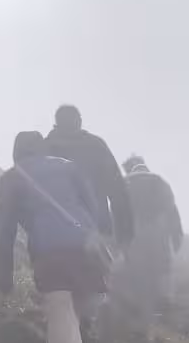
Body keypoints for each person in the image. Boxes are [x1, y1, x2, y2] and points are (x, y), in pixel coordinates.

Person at [0, 130, 112, 343]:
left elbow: (3, 230)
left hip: (50, 250)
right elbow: (93, 206)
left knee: (60, 310)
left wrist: (3, 278)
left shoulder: (12, 177)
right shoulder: (69, 167)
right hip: (86, 247)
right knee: (83, 306)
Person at [43, 105, 134, 252]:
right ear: (79, 121)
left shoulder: (44, 148)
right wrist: (125, 237)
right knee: (94, 273)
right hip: (95, 231)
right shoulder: (95, 145)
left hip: (52, 234)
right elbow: (118, 191)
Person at [118, 154, 184, 315]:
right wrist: (177, 237)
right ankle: (165, 301)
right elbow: (171, 210)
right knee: (163, 266)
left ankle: (136, 306)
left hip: (134, 231)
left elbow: (118, 210)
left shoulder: (124, 183)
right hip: (158, 230)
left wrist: (119, 240)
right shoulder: (159, 181)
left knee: (135, 269)